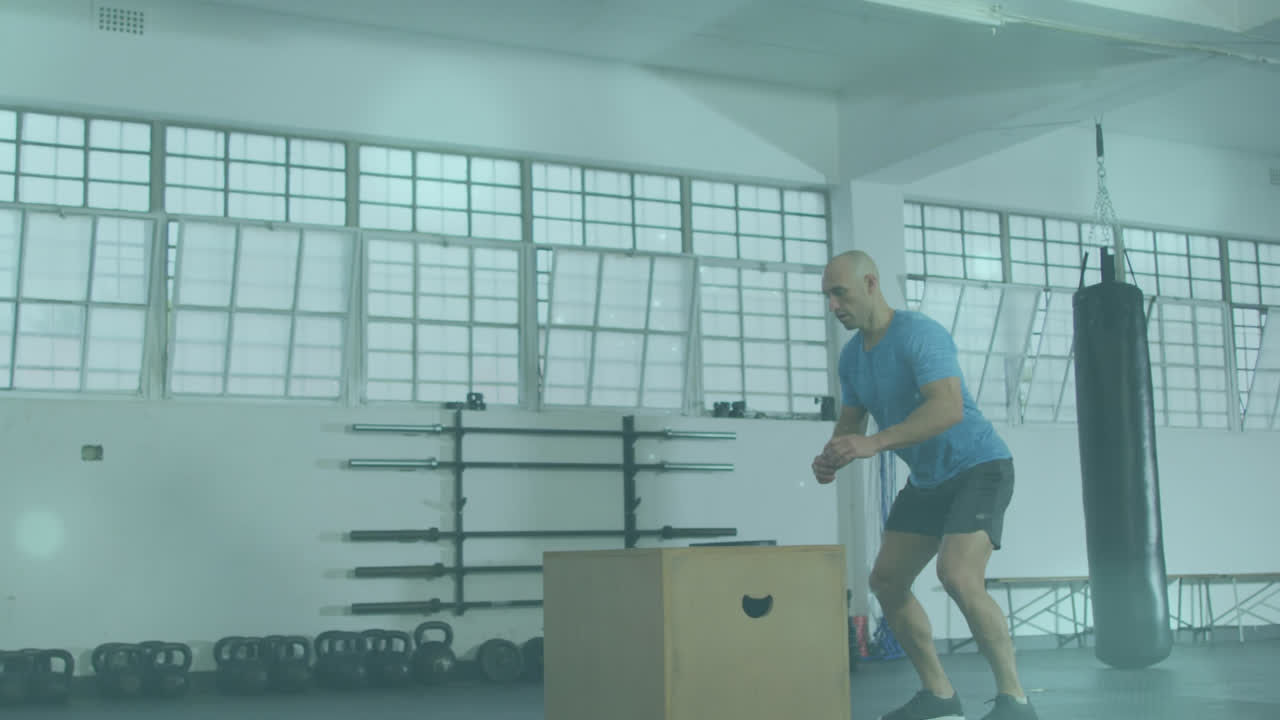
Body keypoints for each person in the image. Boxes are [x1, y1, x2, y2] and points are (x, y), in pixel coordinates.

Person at [812, 250, 1038, 720]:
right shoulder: (852, 358)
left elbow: (947, 407)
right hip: (929, 480)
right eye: (828, 296)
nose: (833, 306)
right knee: (887, 580)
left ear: (871, 284)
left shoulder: (919, 334)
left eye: (840, 293)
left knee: (957, 575)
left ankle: (1015, 700)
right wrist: (831, 456)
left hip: (980, 467)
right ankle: (939, 695)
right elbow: (851, 423)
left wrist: (875, 442)